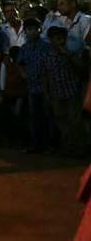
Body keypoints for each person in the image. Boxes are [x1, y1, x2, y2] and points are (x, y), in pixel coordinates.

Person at [43, 26, 85, 157]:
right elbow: (44, 76)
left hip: (72, 91)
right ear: (51, 40)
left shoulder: (71, 52)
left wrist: (68, 54)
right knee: (62, 122)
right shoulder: (46, 56)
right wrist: (46, 93)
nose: (60, 41)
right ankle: (68, 148)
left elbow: (82, 68)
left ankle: (80, 148)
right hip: (56, 93)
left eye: (62, 38)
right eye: (57, 38)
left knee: (75, 121)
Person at [17, 18, 53, 153]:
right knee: (34, 116)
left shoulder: (46, 46)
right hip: (32, 87)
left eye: (35, 29)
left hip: (47, 87)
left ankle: (49, 145)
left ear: (40, 29)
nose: (32, 32)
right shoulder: (25, 48)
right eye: (29, 29)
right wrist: (24, 74)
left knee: (48, 116)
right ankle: (35, 144)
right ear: (25, 31)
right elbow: (20, 64)